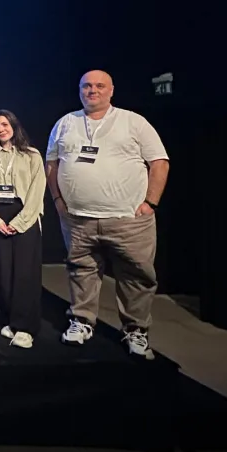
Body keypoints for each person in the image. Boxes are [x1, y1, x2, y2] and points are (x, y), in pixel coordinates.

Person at [47, 70, 171, 359]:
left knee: (136, 276)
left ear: (111, 90)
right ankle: (81, 321)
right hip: (78, 218)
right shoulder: (66, 123)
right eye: (86, 86)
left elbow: (159, 162)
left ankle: (136, 331)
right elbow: (52, 163)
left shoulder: (133, 121)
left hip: (128, 220)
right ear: (79, 90)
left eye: (99, 86)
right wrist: (58, 200)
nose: (93, 90)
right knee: (81, 271)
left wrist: (150, 203)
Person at [0, 110, 46, 349]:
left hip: (24, 214)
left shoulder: (31, 155)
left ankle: (26, 327)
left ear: (14, 126)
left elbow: (37, 191)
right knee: (3, 271)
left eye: (4, 124)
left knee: (25, 272)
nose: (1, 130)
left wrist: (20, 222)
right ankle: (11, 320)